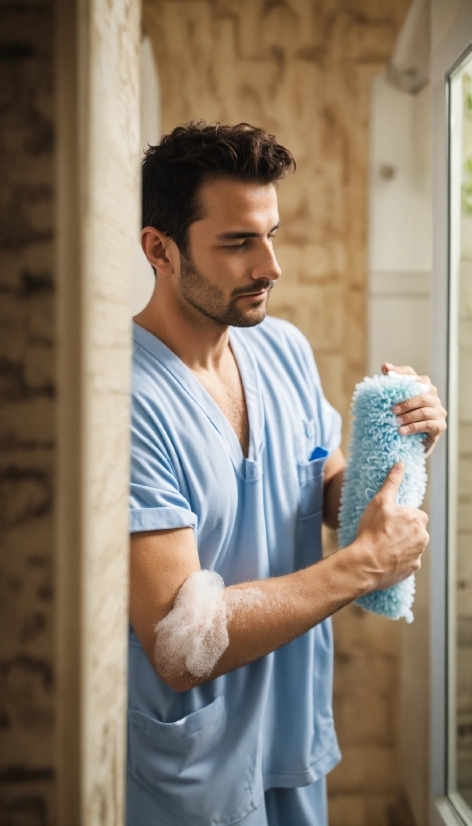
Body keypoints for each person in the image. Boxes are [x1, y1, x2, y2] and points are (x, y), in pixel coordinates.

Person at [127, 121, 447, 826]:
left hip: (292, 737)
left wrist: (395, 446)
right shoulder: (125, 400)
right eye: (239, 242)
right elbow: (182, 646)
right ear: (160, 249)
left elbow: (323, 490)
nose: (270, 266)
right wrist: (365, 566)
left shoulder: (283, 348)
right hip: (191, 773)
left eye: (271, 234)